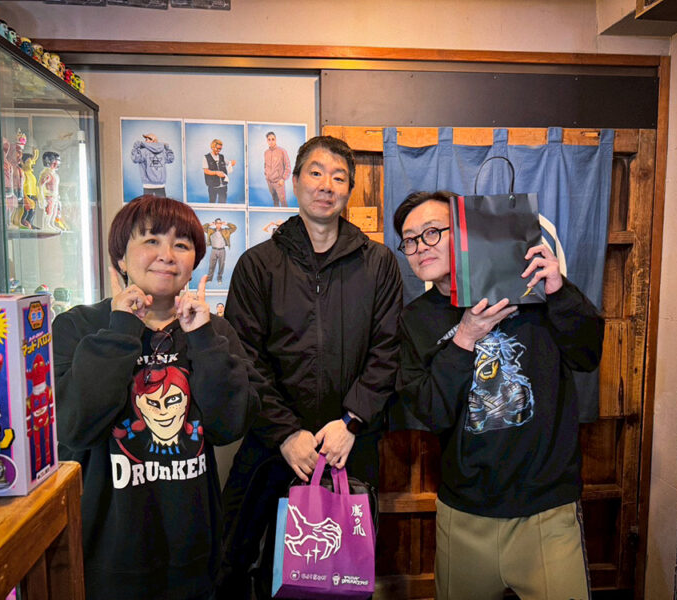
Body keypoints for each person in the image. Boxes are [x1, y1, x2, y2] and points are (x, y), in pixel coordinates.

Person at [393, 191, 604, 600]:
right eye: (410, 240)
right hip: (464, 514)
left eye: (433, 232)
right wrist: (465, 338)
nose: (421, 246)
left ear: (465, 233)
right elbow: (432, 412)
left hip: (547, 510)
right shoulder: (416, 319)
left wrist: (559, 291)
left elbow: (588, 355)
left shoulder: (534, 290)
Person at [218, 135, 402, 599]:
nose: (326, 185)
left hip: (347, 445)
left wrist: (352, 421)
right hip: (271, 442)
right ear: (296, 181)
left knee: (340, 572)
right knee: (236, 559)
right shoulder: (258, 264)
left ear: (349, 191)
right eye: (316, 173)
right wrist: (285, 433)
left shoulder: (378, 264)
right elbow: (244, 356)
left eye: (339, 178)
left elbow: (388, 349)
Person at [52, 195, 261, 600]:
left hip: (193, 558)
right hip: (105, 558)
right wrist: (121, 328)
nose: (167, 255)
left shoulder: (214, 332)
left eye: (181, 244)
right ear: (121, 256)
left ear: (194, 262)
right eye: (151, 240)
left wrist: (203, 338)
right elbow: (76, 426)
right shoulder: (79, 326)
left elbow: (228, 426)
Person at [203, 218, 237, 285]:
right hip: (214, 250)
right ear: (215, 224)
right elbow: (202, 228)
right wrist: (209, 224)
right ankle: (209, 279)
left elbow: (234, 228)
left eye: (220, 223)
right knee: (211, 265)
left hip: (222, 250)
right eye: (217, 223)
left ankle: (219, 278)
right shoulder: (210, 230)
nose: (218, 225)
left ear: (221, 224)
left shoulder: (226, 231)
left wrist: (226, 224)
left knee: (221, 265)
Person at [203, 139, 236, 204]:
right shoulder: (206, 157)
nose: (219, 150)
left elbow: (228, 163)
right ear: (212, 147)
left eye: (220, 149)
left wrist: (232, 163)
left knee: (223, 203)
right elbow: (206, 171)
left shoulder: (221, 157)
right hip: (213, 186)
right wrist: (216, 173)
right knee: (212, 203)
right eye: (217, 148)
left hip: (223, 186)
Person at [263, 131, 291, 207]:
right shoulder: (266, 153)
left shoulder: (282, 151)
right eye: (269, 139)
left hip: (279, 182)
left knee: (283, 201)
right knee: (275, 201)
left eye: (273, 139)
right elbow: (265, 165)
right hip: (270, 182)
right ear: (267, 141)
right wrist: (266, 175)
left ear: (276, 140)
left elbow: (288, 166)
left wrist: (283, 179)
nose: (271, 141)